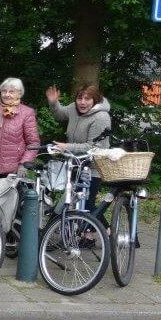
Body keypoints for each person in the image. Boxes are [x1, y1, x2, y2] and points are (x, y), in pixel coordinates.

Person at [0, 77, 40, 248]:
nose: (7, 94)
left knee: (13, 204)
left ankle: (12, 236)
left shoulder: (27, 113)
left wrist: (24, 163)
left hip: (14, 167)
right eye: (4, 91)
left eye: (12, 91)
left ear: (19, 93)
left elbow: (33, 143)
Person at [45, 82, 111, 229]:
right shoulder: (74, 109)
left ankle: (99, 232)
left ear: (95, 100)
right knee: (76, 198)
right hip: (75, 163)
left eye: (87, 99)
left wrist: (66, 147)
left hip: (93, 166)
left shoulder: (101, 117)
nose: (82, 102)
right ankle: (102, 231)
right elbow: (60, 115)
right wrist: (54, 103)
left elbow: (93, 147)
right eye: (80, 98)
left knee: (86, 201)